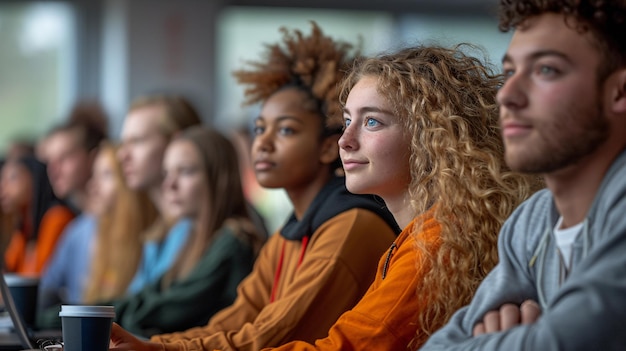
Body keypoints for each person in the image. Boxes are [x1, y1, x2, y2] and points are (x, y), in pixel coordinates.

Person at [109, 22, 400, 351]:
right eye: (259, 129)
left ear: (327, 147)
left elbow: (274, 335)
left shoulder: (350, 226)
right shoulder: (290, 233)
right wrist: (153, 345)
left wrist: (157, 349)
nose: (263, 144)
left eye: (286, 131)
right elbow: (236, 319)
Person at [255, 44, 542, 351]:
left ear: (432, 137)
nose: (345, 140)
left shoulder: (435, 244)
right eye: (349, 121)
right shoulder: (424, 234)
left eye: (372, 122)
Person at [420, 1, 626, 350]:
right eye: (510, 72)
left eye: (546, 70)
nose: (507, 95)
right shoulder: (530, 221)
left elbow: (564, 342)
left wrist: (509, 339)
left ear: (619, 92)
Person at [106, 126, 267, 337]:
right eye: (166, 173)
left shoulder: (235, 240)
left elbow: (162, 311)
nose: (169, 184)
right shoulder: (192, 238)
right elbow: (145, 298)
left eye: (186, 171)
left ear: (219, 177)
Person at [38, 142, 156, 310]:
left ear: (129, 180)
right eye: (95, 175)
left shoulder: (150, 237)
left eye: (106, 175)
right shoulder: (81, 230)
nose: (93, 186)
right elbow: (48, 286)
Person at [1, 156, 74, 275]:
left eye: (12, 178)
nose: (3, 188)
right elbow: (8, 269)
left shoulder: (57, 217)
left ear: (35, 179)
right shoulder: (24, 229)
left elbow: (42, 275)